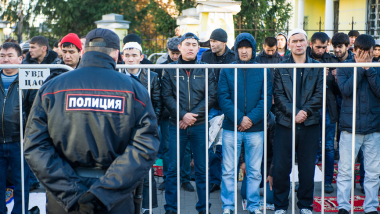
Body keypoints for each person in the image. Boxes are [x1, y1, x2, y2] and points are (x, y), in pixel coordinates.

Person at [24, 28, 160, 214]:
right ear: (116, 55)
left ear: (84, 51)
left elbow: (35, 145)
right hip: (113, 199)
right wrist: (103, 193)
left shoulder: (52, 88)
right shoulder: (134, 90)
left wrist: (70, 192)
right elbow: (145, 146)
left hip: (64, 199)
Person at [161, 32, 217, 214]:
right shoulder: (170, 68)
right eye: (187, 44)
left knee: (201, 169)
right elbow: (166, 96)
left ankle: (203, 208)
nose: (191, 47)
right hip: (176, 124)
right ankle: (170, 208)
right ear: (180, 47)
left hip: (199, 125)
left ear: (198, 48)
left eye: (194, 44)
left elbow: (211, 95)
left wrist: (191, 116)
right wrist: (182, 115)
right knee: (173, 169)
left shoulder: (205, 68)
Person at [218, 32, 272, 214]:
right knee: (228, 170)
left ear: (253, 49)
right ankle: (228, 206)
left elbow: (266, 99)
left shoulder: (263, 69)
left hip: (255, 128)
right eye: (240, 47)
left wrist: (250, 119)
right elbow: (223, 97)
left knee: (254, 171)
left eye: (247, 47)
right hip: (231, 127)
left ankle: (254, 206)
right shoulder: (227, 69)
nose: (243, 51)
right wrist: (240, 118)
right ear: (236, 49)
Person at [272, 29, 323, 214]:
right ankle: (280, 205)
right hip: (285, 123)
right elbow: (278, 94)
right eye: (294, 41)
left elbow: (319, 94)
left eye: (301, 40)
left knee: (307, 168)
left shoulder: (317, 66)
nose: (298, 44)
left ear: (307, 43)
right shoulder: (281, 66)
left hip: (310, 123)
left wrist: (305, 112)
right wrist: (294, 113)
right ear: (289, 44)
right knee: (281, 167)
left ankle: (305, 205)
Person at [336, 34, 380, 214]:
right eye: (361, 53)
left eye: (369, 53)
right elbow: (345, 90)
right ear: (355, 51)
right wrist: (360, 69)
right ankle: (343, 206)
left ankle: (370, 207)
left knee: (373, 172)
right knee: (345, 171)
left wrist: (369, 69)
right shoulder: (345, 67)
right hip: (350, 127)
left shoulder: (377, 67)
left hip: (373, 127)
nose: (365, 56)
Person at [123, 41, 163, 214]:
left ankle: (147, 207)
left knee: (147, 170)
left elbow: (158, 105)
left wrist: (150, 126)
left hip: (145, 130)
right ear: (122, 57)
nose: (131, 59)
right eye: (127, 56)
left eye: (134, 56)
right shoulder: (117, 75)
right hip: (123, 131)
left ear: (141, 57)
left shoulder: (152, 77)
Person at [0, 42, 36, 214]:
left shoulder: (28, 80)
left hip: (19, 141)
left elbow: (35, 111)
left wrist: (28, 134)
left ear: (20, 59)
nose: (5, 60)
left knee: (21, 185)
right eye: (2, 56)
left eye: (9, 56)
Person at [158, 37, 195, 193]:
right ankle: (168, 178)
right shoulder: (162, 66)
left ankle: (185, 179)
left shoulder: (189, 65)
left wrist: (185, 115)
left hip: (187, 114)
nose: (175, 56)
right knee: (167, 148)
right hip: (169, 114)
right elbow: (162, 93)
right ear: (169, 51)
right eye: (172, 53)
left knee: (186, 149)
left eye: (176, 53)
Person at [201, 28, 235, 193]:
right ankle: (215, 180)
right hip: (211, 107)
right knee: (211, 145)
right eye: (211, 41)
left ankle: (227, 181)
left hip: (228, 106)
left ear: (224, 42)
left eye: (215, 41)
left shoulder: (233, 57)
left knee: (226, 146)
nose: (212, 44)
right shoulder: (206, 56)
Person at [307, 32, 340, 194]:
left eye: (324, 47)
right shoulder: (304, 59)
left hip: (327, 108)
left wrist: (335, 79)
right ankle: (306, 180)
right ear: (310, 44)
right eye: (318, 47)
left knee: (328, 146)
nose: (321, 50)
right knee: (308, 146)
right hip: (309, 108)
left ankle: (327, 181)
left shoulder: (332, 61)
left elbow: (338, 91)